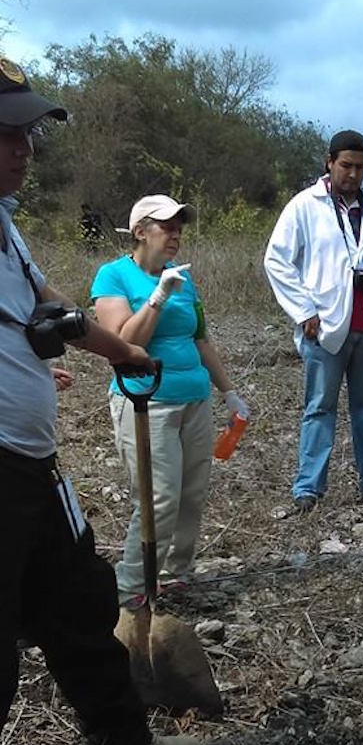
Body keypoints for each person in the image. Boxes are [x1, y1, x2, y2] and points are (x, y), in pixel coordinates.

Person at [0, 59, 203, 745]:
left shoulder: (4, 223)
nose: (25, 149)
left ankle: (123, 742)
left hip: (31, 462)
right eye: (7, 134)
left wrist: (121, 352)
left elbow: (48, 305)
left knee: (80, 602)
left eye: (26, 133)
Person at [91, 195, 249, 606]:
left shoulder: (183, 278)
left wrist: (229, 391)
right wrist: (158, 297)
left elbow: (200, 339)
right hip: (147, 402)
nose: (176, 232)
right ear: (140, 231)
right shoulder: (113, 277)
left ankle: (175, 573)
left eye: (180, 225)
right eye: (167, 225)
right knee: (158, 496)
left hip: (194, 399)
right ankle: (133, 586)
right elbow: (121, 344)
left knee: (191, 493)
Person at [264, 129, 363, 510]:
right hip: (325, 325)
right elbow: (277, 260)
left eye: (360, 167)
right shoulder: (304, 205)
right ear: (329, 163)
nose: (353, 174)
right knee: (319, 407)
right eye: (346, 165)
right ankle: (308, 489)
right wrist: (303, 310)